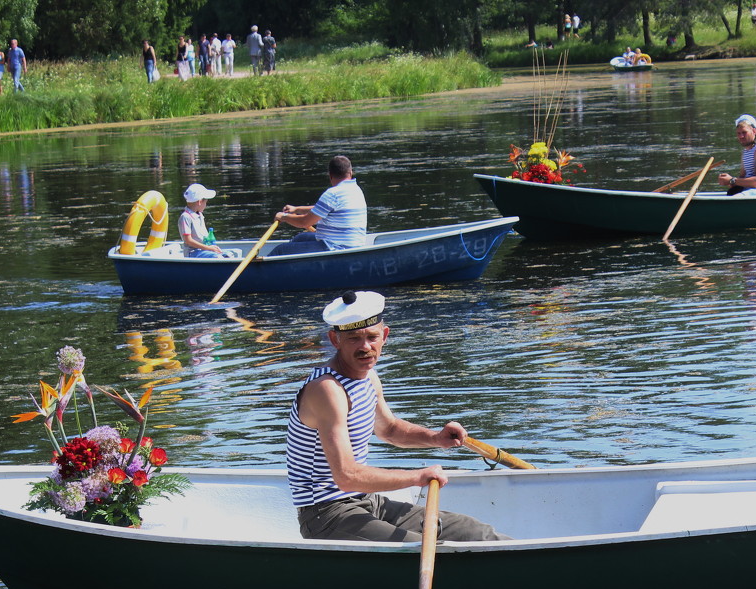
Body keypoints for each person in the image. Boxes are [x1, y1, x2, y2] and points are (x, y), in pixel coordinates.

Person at [286, 290, 511, 543]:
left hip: (366, 501)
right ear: (334, 340)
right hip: (326, 515)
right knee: (426, 547)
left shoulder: (368, 377)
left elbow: (390, 430)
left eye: (372, 337)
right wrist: (417, 477)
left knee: (475, 533)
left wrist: (436, 438)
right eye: (353, 339)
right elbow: (347, 477)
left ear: (385, 336)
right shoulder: (327, 389)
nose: (365, 347)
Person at [274, 155, 368, 250]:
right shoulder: (356, 190)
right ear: (350, 173)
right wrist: (297, 209)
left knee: (280, 250)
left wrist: (283, 217)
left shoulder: (332, 194)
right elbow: (322, 210)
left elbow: (304, 222)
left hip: (334, 247)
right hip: (354, 245)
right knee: (300, 238)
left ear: (330, 175)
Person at [717, 114, 756, 197]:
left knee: (734, 199)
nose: (741, 136)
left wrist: (732, 180)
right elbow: (741, 181)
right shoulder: (745, 152)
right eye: (739, 133)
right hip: (747, 191)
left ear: (754, 131)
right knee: (731, 193)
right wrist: (727, 181)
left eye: (744, 133)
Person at [178, 183, 236, 258]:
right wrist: (208, 248)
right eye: (205, 202)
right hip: (193, 252)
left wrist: (211, 246)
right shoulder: (185, 217)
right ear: (199, 202)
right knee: (217, 257)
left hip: (204, 250)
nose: (206, 205)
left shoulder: (200, 215)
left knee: (230, 254)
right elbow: (188, 240)